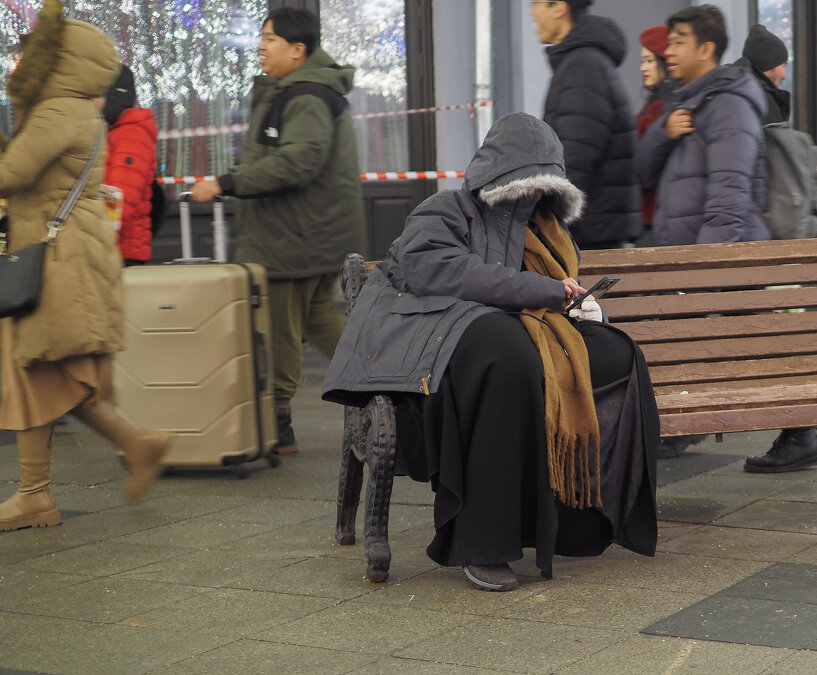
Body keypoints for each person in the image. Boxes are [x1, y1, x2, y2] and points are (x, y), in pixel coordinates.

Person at [322, 113, 658, 592]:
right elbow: (439, 272)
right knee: (507, 355)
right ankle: (483, 542)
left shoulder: (544, 230)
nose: (535, 196)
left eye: (546, 188)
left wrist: (579, 308)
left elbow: (537, 295)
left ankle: (580, 518)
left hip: (503, 335)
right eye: (528, 183)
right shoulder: (444, 209)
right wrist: (542, 290)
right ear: (501, 177)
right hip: (429, 345)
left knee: (617, 354)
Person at [0, 2, 170, 532]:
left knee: (36, 372)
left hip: (58, 261)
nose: (16, 62)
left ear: (56, 60)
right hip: (67, 256)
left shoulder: (56, 112)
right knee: (50, 374)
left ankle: (36, 493)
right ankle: (129, 446)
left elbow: (11, 174)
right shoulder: (73, 109)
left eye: (26, 53)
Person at [190, 8, 366, 454]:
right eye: (262, 37)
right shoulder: (299, 89)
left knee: (283, 327)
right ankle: (385, 382)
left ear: (297, 49)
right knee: (318, 318)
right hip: (308, 230)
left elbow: (298, 161)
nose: (261, 46)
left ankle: (278, 421)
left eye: (270, 39)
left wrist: (227, 183)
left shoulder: (305, 94)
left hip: (295, 234)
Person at [731, 24, 817, 473]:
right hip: (778, 249)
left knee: (780, 342)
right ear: (772, 67)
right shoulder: (758, 101)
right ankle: (800, 434)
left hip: (764, 248)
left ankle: (800, 434)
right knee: (784, 340)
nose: (785, 73)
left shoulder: (739, 96)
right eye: (782, 65)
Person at [635, 4, 770, 246]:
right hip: (683, 260)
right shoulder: (686, 101)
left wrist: (704, 276)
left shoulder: (730, 107)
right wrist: (664, 133)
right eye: (670, 43)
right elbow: (643, 173)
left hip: (712, 269)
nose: (669, 52)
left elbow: (728, 205)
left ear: (706, 49)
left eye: (679, 43)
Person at [532, 0, 640, 249]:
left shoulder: (582, 66)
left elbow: (575, 155)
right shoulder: (580, 61)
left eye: (536, 3)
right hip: (592, 226)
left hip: (588, 234)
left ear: (559, 7)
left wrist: (546, 222)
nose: (532, 12)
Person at [100, 65, 159, 266]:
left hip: (121, 253)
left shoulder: (130, 134)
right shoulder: (116, 131)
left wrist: (92, 236)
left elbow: (119, 200)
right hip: (114, 249)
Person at [636, 25, 670, 239]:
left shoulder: (660, 110)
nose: (642, 67)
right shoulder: (653, 107)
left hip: (654, 218)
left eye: (649, 60)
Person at [733, 24, 790, 125]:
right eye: (783, 66)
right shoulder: (764, 103)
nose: (784, 76)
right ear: (769, 65)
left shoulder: (733, 88)